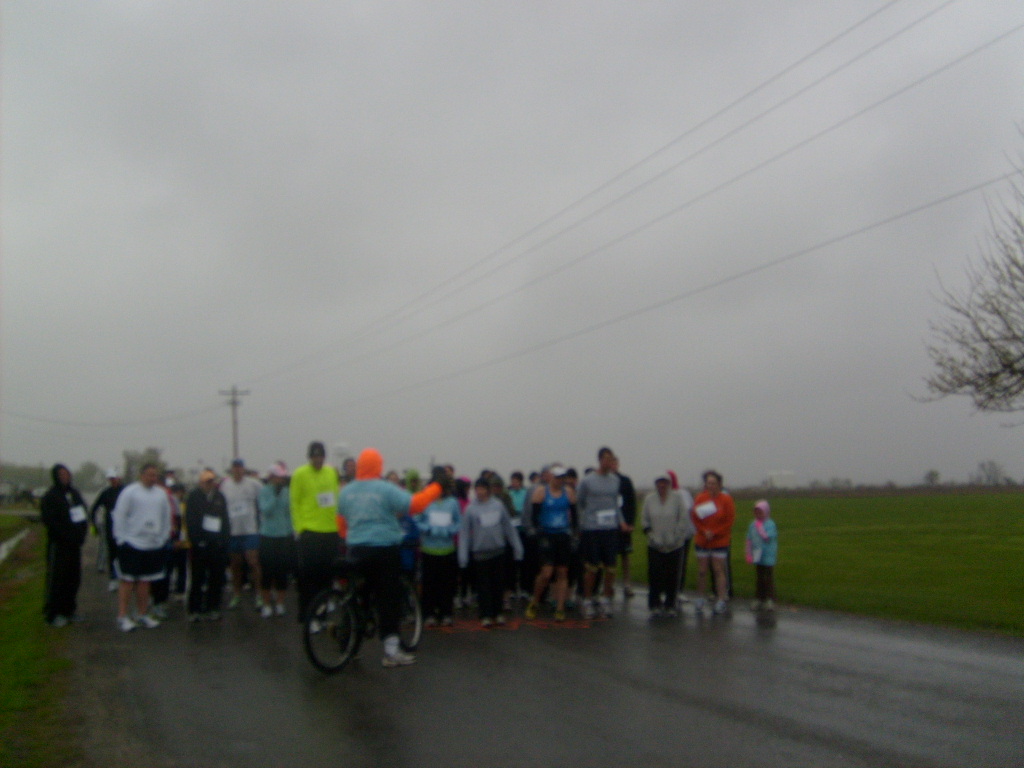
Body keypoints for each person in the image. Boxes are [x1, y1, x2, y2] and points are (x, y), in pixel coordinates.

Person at [337, 448, 442, 667]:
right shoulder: (385, 489)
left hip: (356, 549)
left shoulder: (346, 492)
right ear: (378, 466)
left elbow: (341, 522)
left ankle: (349, 645)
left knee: (357, 595)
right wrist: (436, 488)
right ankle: (391, 652)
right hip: (384, 549)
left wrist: (351, 538)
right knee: (388, 598)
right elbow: (415, 505)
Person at [111, 463, 171, 631]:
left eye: (155, 475)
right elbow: (119, 515)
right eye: (149, 475)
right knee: (128, 581)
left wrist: (163, 537)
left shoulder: (161, 494)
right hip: (132, 544)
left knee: (145, 581)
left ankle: (142, 614)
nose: (153, 478)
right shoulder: (130, 492)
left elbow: (166, 517)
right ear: (141, 475)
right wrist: (121, 539)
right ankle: (122, 616)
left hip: (153, 545)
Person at [458, 476, 523, 627]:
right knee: (483, 586)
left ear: (488, 490)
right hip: (480, 554)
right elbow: (465, 534)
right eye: (477, 489)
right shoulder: (470, 509)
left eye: (482, 489)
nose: (479, 492)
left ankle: (498, 613)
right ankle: (485, 614)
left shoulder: (498, 506)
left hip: (498, 552)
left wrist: (517, 547)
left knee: (497, 584)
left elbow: (508, 528)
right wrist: (463, 557)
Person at [577, 447, 632, 619]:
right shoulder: (587, 481)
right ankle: (587, 600)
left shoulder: (615, 480)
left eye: (612, 459)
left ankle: (606, 599)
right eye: (606, 459)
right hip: (592, 528)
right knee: (592, 567)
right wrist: (581, 524)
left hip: (610, 528)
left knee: (611, 567)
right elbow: (580, 504)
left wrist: (622, 521)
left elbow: (615, 503)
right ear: (600, 460)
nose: (609, 462)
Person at [290, 441, 341, 622]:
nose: (318, 459)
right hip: (310, 531)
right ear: (309, 457)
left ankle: (322, 614)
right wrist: (299, 528)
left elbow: (336, 498)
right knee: (308, 577)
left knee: (326, 577)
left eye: (320, 456)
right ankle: (307, 615)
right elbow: (294, 502)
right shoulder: (300, 474)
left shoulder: (331, 472)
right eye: (314, 456)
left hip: (330, 530)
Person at [524, 465, 576, 621]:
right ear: (551, 477)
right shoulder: (541, 492)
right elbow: (534, 516)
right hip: (547, 535)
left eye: (562, 478)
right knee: (546, 573)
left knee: (562, 572)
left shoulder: (569, 493)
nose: (560, 480)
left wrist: (574, 533)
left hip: (563, 535)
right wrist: (537, 532)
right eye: (557, 477)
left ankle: (560, 608)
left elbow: (575, 515)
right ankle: (535, 601)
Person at [40, 463, 89, 627]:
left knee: (73, 578)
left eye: (66, 474)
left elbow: (83, 515)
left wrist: (81, 534)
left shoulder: (74, 494)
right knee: (57, 579)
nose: (65, 477)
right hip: (59, 545)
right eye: (61, 474)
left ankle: (69, 610)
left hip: (74, 545)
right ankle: (53, 614)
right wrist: (66, 535)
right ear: (55, 476)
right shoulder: (50, 496)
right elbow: (50, 520)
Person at [642, 475, 694, 617]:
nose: (662, 485)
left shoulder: (677, 499)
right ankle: (654, 604)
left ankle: (671, 604)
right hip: (655, 545)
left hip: (674, 545)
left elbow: (683, 519)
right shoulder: (649, 499)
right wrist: (652, 536)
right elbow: (645, 521)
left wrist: (677, 537)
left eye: (664, 482)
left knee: (672, 575)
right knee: (655, 574)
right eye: (659, 482)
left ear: (669, 484)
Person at [185, 469, 231, 621]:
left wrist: (224, 540)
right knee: (197, 578)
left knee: (216, 578)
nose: (210, 484)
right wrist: (197, 540)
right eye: (207, 481)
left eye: (212, 481)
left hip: (216, 545)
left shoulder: (219, 497)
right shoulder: (193, 497)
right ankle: (194, 610)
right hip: (200, 545)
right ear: (201, 482)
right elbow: (190, 521)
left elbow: (225, 520)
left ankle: (213, 607)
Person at [415, 476, 461, 626]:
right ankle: (428, 614)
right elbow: (417, 520)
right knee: (429, 585)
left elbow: (458, 522)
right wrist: (428, 529)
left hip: (447, 550)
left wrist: (450, 531)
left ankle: (446, 613)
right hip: (429, 550)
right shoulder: (425, 501)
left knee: (446, 584)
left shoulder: (452, 502)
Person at [690, 469, 736, 615]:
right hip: (703, 540)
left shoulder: (726, 500)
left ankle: (721, 599)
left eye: (714, 483)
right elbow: (695, 517)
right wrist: (705, 531)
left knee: (718, 570)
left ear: (719, 484)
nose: (711, 486)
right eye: (708, 483)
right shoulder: (700, 498)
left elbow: (729, 520)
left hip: (720, 541)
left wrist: (715, 532)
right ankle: (700, 598)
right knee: (702, 570)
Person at [220, 458, 264, 610]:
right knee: (235, 565)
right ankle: (237, 594)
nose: (238, 470)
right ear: (231, 469)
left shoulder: (254, 484)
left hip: (250, 530)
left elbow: (263, 500)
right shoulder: (225, 485)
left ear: (244, 469)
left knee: (254, 563)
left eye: (240, 467)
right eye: (235, 467)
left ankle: (259, 594)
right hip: (233, 532)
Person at [258, 462, 295, 618]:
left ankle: (280, 603)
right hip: (268, 536)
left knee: (282, 571)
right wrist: (275, 494)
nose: (281, 480)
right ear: (271, 477)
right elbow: (266, 510)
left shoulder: (287, 491)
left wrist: (291, 532)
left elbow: (289, 513)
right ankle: (266, 604)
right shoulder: (264, 491)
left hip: (284, 536)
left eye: (282, 477)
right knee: (267, 571)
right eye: (278, 477)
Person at [90, 469, 124, 591]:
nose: (112, 481)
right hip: (110, 528)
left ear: (119, 478)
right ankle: (113, 579)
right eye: (110, 479)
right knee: (112, 554)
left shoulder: (126, 491)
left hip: (125, 530)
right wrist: (93, 523)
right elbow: (94, 508)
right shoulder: (106, 493)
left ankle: (124, 579)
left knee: (124, 554)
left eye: (114, 478)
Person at [612, 456, 637, 597]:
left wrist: (631, 523)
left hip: (625, 526)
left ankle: (627, 584)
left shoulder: (625, 481)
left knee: (625, 556)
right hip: (611, 525)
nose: (613, 466)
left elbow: (632, 503)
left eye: (615, 463)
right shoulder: (606, 482)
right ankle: (611, 584)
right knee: (611, 557)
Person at [746, 499, 778, 611]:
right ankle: (759, 598)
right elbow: (749, 539)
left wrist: (761, 530)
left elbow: (768, 538)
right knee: (759, 577)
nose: (758, 515)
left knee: (768, 577)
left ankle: (770, 599)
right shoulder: (752, 524)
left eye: (761, 512)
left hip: (768, 555)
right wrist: (749, 553)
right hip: (757, 554)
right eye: (756, 512)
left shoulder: (770, 524)